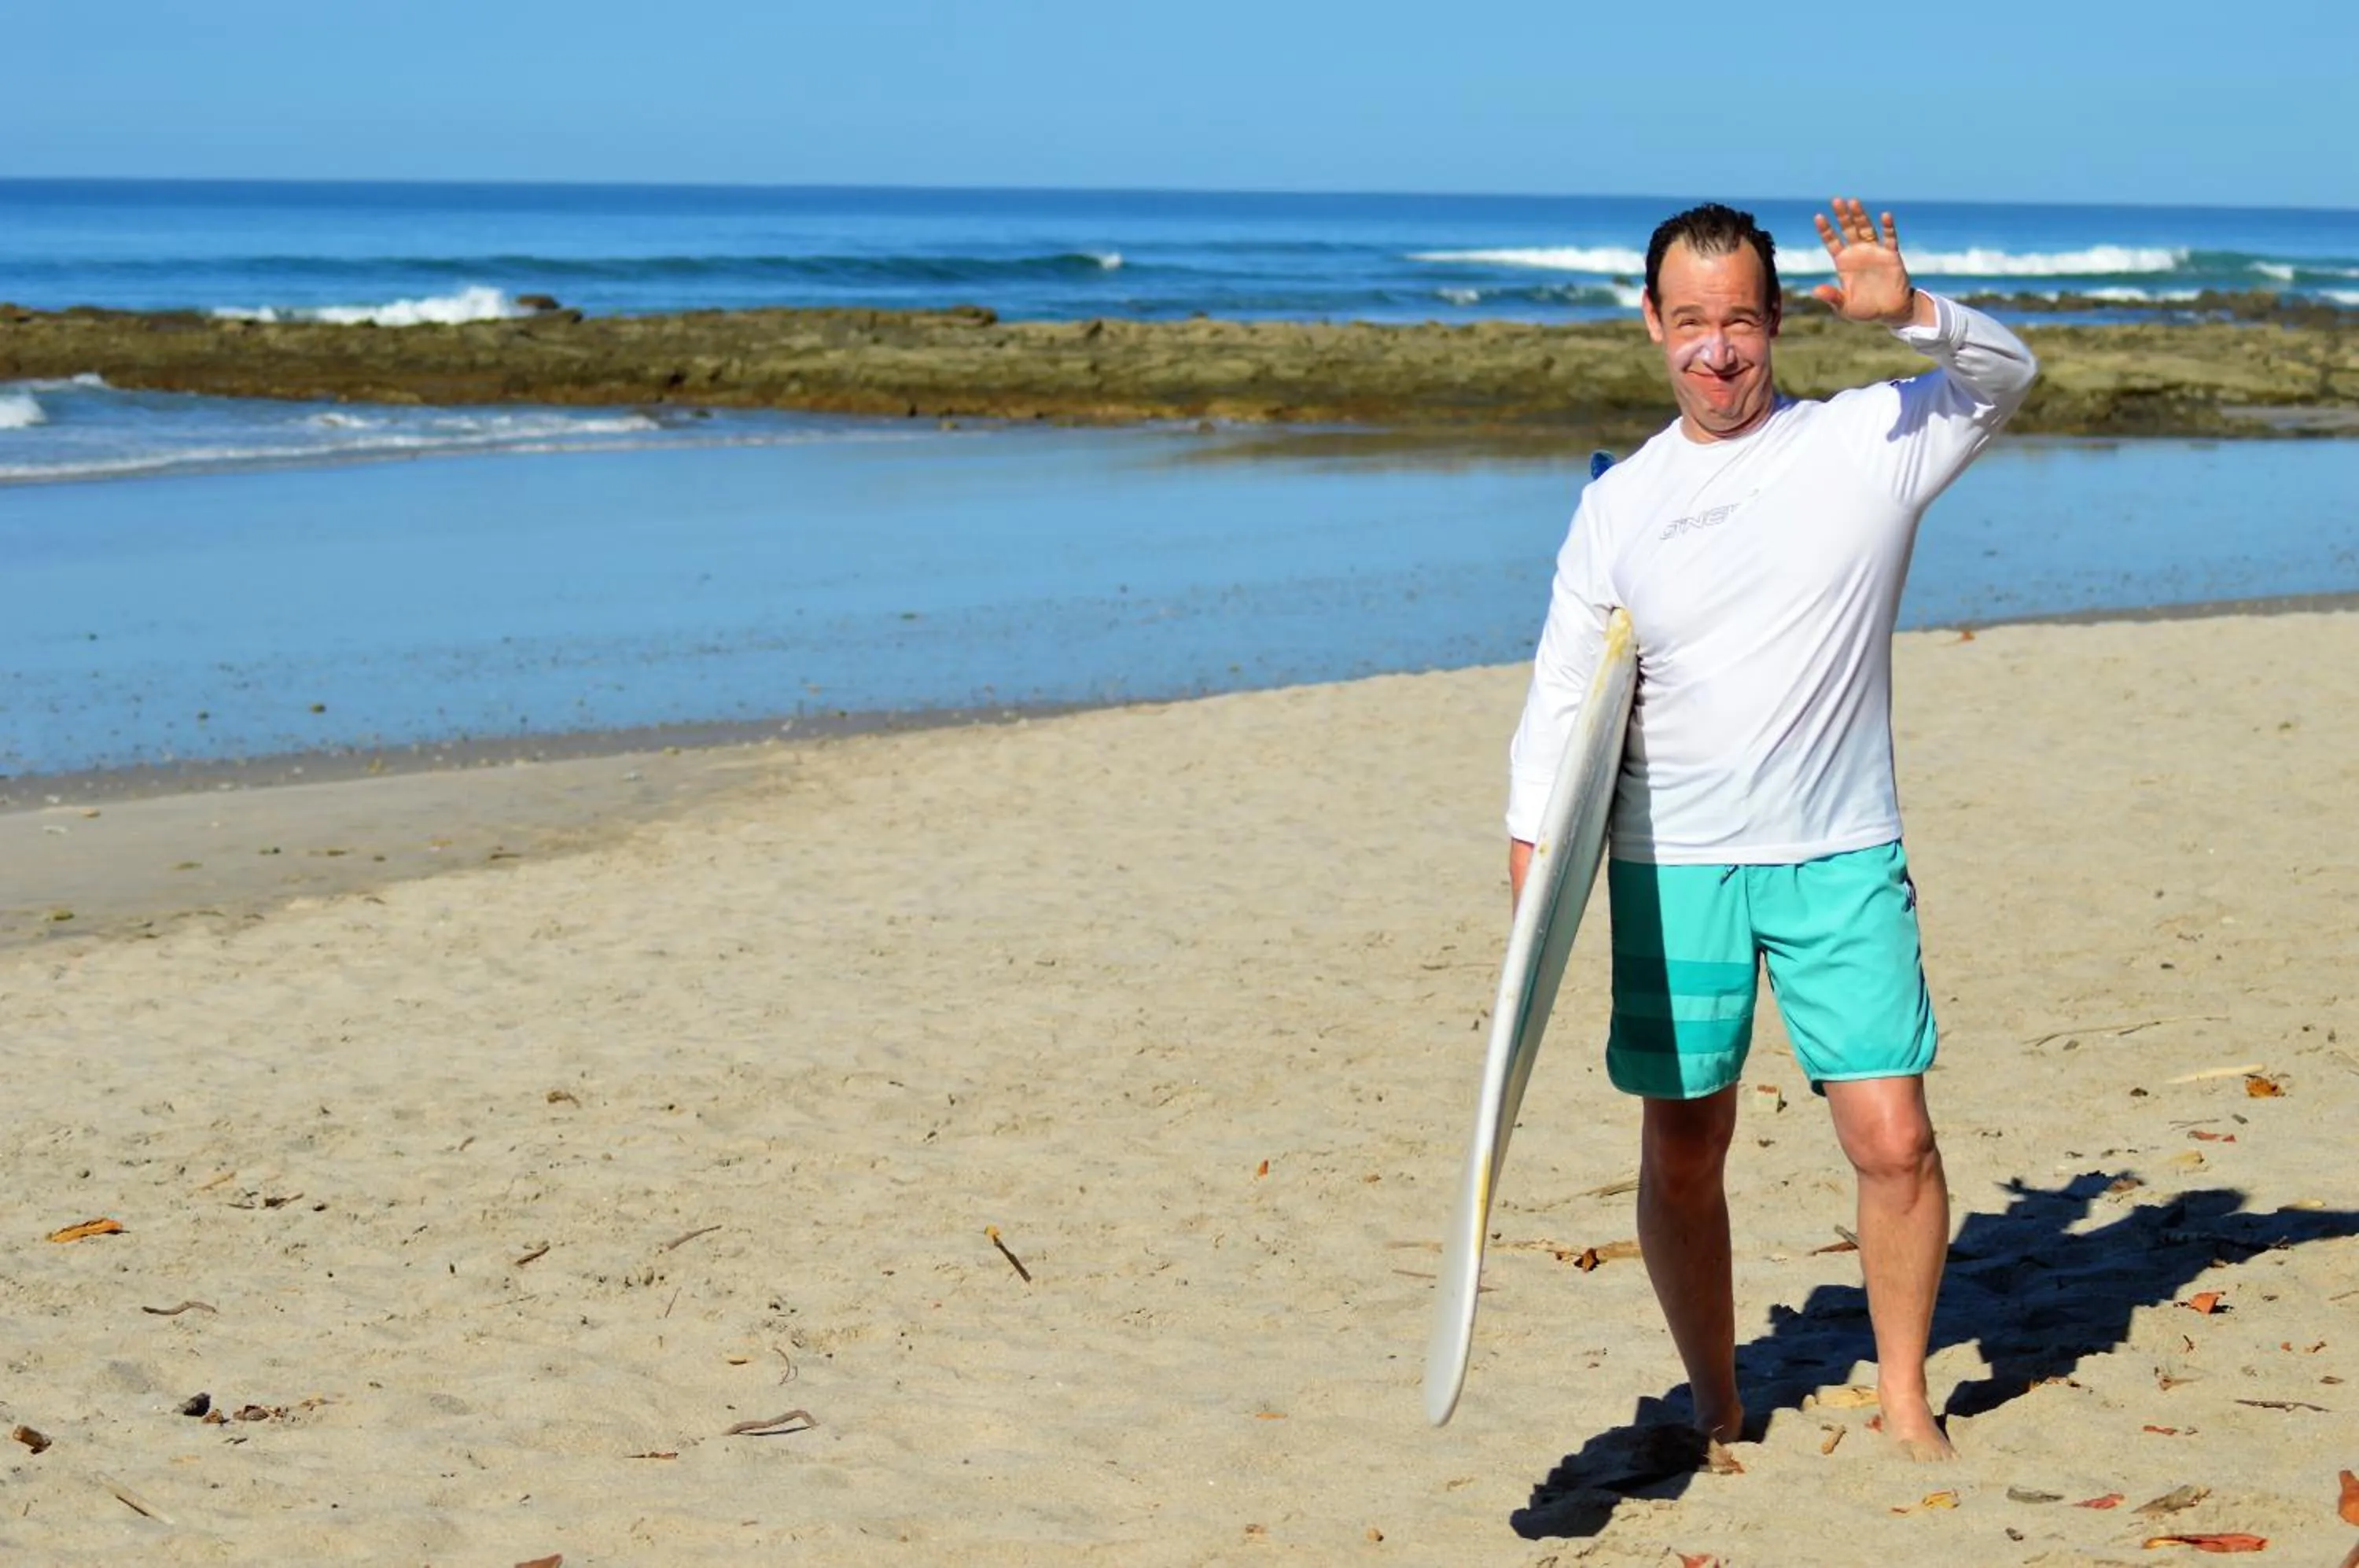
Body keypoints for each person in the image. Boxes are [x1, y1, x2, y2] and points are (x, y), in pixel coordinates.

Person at [1504, 197, 2037, 1460]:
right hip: (1669, 862)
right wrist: (1530, 872)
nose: (1717, 351)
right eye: (1689, 322)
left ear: (1777, 320)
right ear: (1651, 324)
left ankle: (1905, 1394)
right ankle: (1716, 1394)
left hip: (1839, 851)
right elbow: (1561, 704)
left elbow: (2005, 374)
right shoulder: (1619, 506)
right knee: (1685, 1145)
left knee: (1894, 1140)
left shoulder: (1867, 444)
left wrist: (1909, 312)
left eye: (1739, 320)